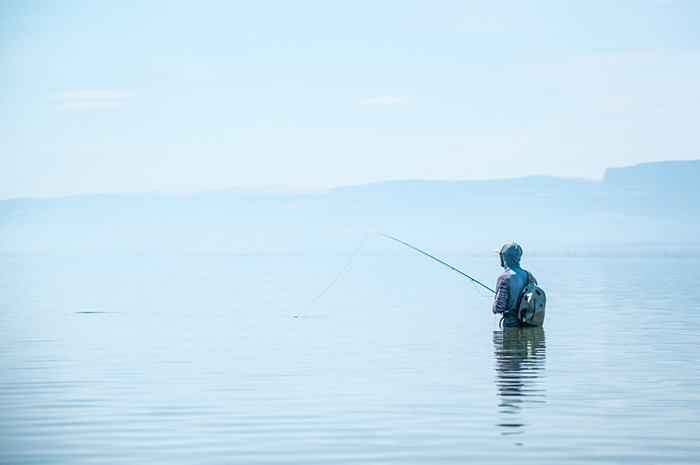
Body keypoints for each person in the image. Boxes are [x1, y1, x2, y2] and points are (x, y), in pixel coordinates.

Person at [492, 242, 536, 327]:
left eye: (501, 255)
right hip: (530, 324)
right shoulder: (530, 277)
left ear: (505, 256)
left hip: (511, 326)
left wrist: (495, 306)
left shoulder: (504, 278)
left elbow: (498, 308)